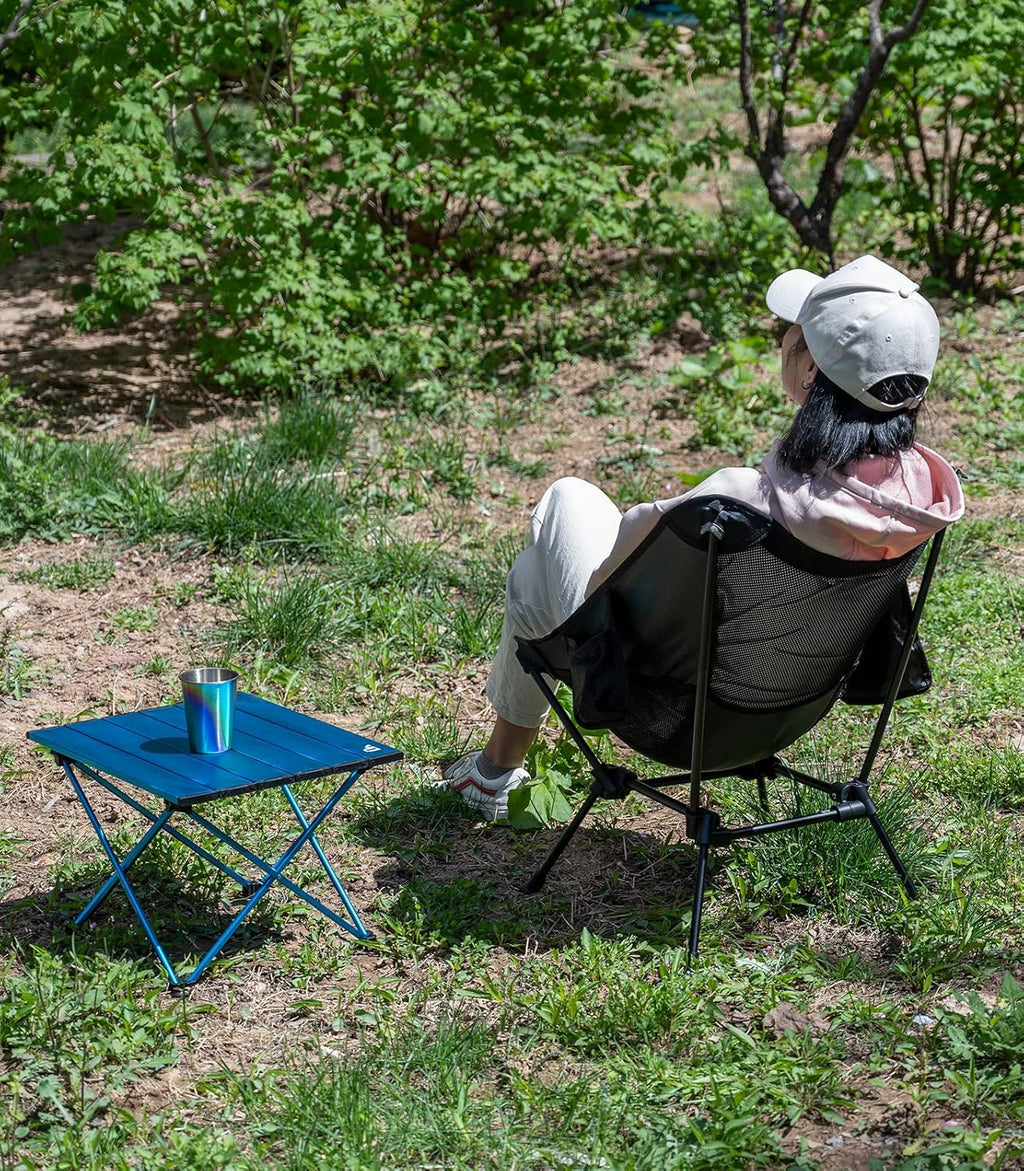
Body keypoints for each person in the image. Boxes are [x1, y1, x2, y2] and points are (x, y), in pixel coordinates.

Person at [444, 255, 965, 820]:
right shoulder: (923, 496)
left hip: (668, 717)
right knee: (535, 574)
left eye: (795, 331)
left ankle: (494, 774)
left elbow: (603, 591)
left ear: (812, 369)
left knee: (558, 519)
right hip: (790, 711)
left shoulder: (735, 505)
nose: (783, 337)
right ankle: (493, 773)